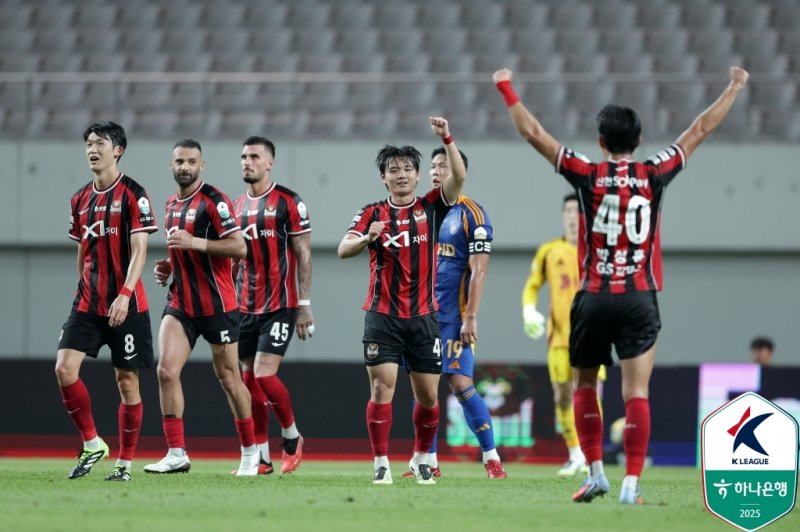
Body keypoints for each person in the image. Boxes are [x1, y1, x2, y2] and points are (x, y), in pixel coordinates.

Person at [493, 66, 749, 504]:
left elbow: (533, 132)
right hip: (638, 297)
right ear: (638, 140)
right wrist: (734, 86)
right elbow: (701, 127)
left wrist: (505, 86)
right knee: (636, 392)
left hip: (592, 297)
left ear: (600, 142)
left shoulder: (588, 176)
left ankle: (595, 472)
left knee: (585, 386)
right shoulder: (654, 174)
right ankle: (631, 483)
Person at [337, 117, 466, 485]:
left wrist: (447, 137)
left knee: (428, 397)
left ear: (419, 175)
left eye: (408, 169)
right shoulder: (371, 213)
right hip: (382, 316)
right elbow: (344, 248)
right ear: (383, 177)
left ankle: (421, 457)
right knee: (382, 389)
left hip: (425, 317)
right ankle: (381, 461)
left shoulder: (432, 207)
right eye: (394, 170)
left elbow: (458, 178)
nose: (402, 175)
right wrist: (366, 239)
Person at [144, 139, 259, 476]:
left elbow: (239, 247)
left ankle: (251, 452)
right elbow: (184, 253)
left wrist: (194, 242)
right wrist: (169, 266)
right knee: (165, 371)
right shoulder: (170, 204)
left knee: (229, 378)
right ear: (171, 165)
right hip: (181, 303)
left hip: (218, 304)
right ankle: (176, 452)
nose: (185, 167)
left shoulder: (214, 201)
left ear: (202, 165)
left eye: (191, 161)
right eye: (179, 161)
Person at [56, 121, 157, 481]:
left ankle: (124, 464)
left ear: (118, 150)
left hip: (127, 303)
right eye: (88, 144)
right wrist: (80, 288)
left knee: (126, 381)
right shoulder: (79, 198)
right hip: (88, 303)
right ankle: (92, 442)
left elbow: (140, 248)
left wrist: (125, 294)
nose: (92, 149)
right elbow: (83, 250)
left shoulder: (133, 193)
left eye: (100, 143)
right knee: (64, 368)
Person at [402, 147, 507, 479]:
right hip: (422, 316)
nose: (436, 170)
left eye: (444, 164)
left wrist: (471, 316)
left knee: (461, 385)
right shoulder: (421, 211)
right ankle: (428, 462)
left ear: (459, 169)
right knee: (426, 390)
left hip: (455, 318)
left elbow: (479, 271)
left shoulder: (472, 214)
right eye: (432, 166)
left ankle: (492, 459)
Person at [232, 136, 314, 475]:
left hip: (280, 304)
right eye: (243, 156)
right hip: (243, 306)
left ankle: (292, 437)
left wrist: (304, 304)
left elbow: (303, 254)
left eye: (254, 156)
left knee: (265, 376)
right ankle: (262, 456)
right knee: (248, 381)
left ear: (270, 163)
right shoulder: (236, 206)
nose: (247, 162)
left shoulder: (289, 202)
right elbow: (231, 258)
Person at [521, 193, 606, 477]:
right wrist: (529, 310)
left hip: (593, 334)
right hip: (559, 336)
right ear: (563, 215)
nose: (572, 216)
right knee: (561, 397)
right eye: (568, 211)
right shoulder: (549, 250)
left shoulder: (599, 250)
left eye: (577, 211)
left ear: (586, 217)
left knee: (590, 394)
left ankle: (590, 454)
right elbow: (532, 285)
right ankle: (574, 454)